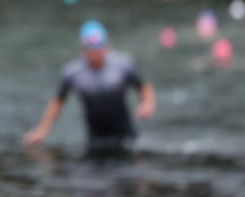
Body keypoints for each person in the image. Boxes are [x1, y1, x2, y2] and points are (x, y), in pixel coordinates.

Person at [23, 20, 155, 154]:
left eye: (100, 48)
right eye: (92, 49)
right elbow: (58, 101)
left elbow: (144, 87)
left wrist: (147, 104)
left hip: (126, 134)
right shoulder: (73, 73)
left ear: (107, 46)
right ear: (84, 50)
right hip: (95, 137)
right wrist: (42, 130)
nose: (97, 53)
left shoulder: (123, 65)